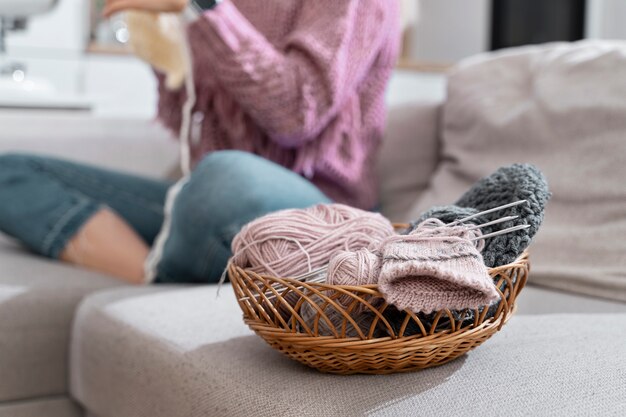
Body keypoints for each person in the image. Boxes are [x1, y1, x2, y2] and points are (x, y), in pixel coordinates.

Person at [0, 0, 401, 284]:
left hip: (320, 215)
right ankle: (152, 277)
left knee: (224, 173)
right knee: (11, 174)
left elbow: (296, 112)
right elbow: (185, 122)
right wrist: (157, 38)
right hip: (210, 203)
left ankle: (176, 261)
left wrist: (206, 7)